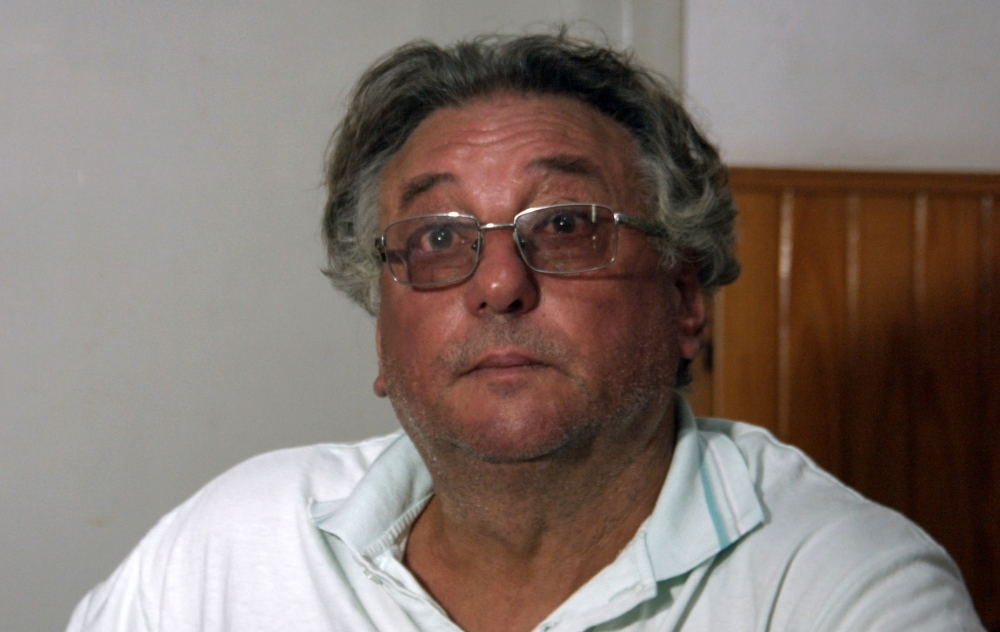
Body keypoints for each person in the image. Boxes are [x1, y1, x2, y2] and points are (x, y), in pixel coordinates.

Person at [67, 32, 985, 632]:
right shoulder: (227, 552)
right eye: (437, 237)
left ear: (685, 300)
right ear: (383, 325)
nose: (500, 284)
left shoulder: (844, 591)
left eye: (567, 226)